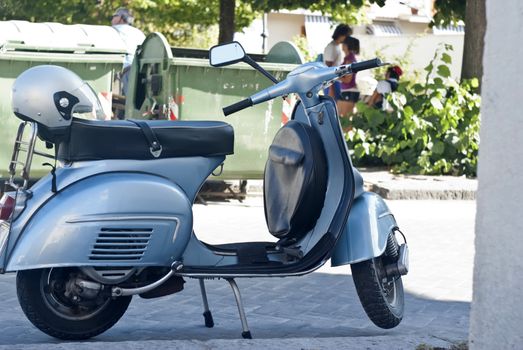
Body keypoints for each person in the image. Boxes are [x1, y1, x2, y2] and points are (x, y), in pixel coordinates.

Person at [111, 7, 146, 96]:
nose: (112, 18)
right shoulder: (139, 33)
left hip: (118, 72)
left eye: (115, 16)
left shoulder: (112, 30)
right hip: (137, 70)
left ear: (120, 18)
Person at [323, 24, 352, 100]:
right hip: (331, 84)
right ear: (341, 35)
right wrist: (331, 88)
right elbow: (327, 69)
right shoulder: (332, 47)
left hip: (336, 82)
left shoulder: (337, 46)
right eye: (347, 35)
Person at [337, 36, 360, 117]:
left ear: (347, 45)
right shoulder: (348, 58)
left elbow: (347, 80)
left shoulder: (350, 60)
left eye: (343, 43)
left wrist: (334, 76)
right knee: (343, 120)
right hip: (348, 91)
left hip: (349, 91)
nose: (341, 45)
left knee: (345, 122)